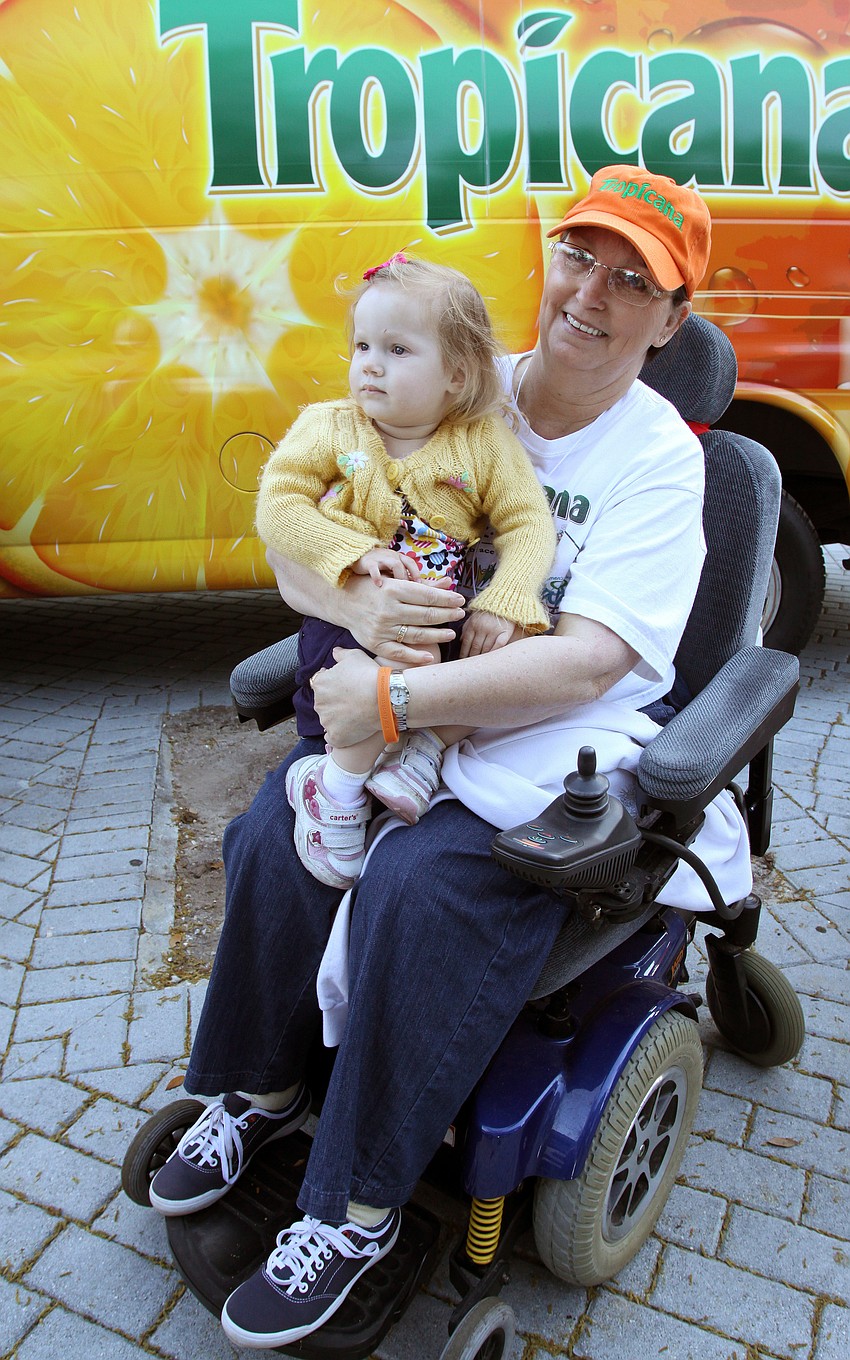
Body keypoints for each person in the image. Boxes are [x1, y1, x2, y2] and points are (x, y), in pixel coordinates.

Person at [147, 165, 749, 1352]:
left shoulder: (659, 459)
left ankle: (356, 1209)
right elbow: (296, 535)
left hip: (553, 745)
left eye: (634, 283)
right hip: (401, 703)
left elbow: (586, 663)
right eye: (581, 257)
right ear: (548, 262)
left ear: (671, 321)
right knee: (272, 834)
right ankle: (260, 1091)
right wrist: (357, 601)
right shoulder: (455, 376)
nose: (592, 294)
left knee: (418, 888)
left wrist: (393, 694)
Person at [254, 255, 555, 890]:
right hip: (353, 630)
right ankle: (336, 789)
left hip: (443, 617)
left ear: (457, 373)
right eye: (362, 345)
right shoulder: (331, 427)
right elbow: (278, 506)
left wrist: (507, 597)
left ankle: (423, 748)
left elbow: (528, 521)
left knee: (514, 651)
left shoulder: (481, 439)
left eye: (396, 349)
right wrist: (351, 552)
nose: (369, 364)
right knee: (393, 664)